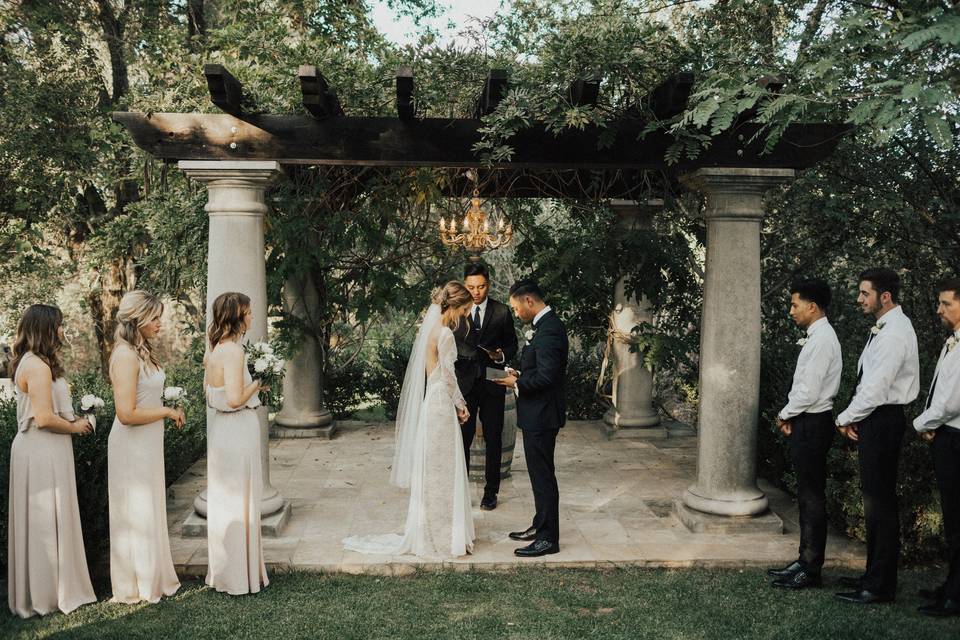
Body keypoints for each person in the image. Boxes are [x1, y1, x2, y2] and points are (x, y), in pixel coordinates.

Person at [344, 282, 476, 559]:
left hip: (433, 400)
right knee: (444, 470)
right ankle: (443, 536)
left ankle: (433, 531)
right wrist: (462, 406)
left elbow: (436, 375)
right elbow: (450, 377)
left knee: (435, 469)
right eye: (465, 308)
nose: (466, 314)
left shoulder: (429, 330)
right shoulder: (447, 335)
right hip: (442, 404)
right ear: (455, 306)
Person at [835, 268, 919, 604]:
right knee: (874, 502)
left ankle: (880, 585)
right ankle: (872, 576)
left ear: (885, 296)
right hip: (876, 418)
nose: (859, 299)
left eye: (864, 293)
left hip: (883, 419)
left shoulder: (895, 332)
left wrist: (845, 417)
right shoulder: (887, 327)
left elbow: (876, 388)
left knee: (880, 504)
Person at [7, 304, 96, 618]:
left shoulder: (35, 363)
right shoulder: (37, 367)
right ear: (45, 329)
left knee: (49, 518)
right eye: (59, 326)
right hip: (41, 449)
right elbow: (43, 418)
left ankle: (51, 587)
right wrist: (75, 426)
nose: (62, 331)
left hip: (45, 448)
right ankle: (46, 594)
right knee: (44, 520)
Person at [108, 290, 184, 603]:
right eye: (154, 318)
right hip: (132, 444)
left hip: (148, 442)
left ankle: (152, 575)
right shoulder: (124, 355)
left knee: (148, 506)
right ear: (138, 320)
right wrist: (166, 411)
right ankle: (136, 583)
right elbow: (126, 414)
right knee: (136, 509)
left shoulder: (140, 352)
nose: (159, 324)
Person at [767, 279, 842, 590]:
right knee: (806, 495)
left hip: (813, 423)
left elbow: (809, 392)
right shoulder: (817, 336)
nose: (790, 311)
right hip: (807, 421)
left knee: (812, 497)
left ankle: (811, 569)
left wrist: (784, 414)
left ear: (813, 307)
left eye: (795, 304)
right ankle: (804, 559)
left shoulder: (823, 339)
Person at [496, 280, 569, 557]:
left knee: (543, 477)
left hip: (542, 415)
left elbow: (548, 376)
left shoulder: (549, 331)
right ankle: (541, 525)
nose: (515, 313)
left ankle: (549, 539)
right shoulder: (544, 327)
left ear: (529, 301)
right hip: (537, 414)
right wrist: (520, 373)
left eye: (516, 308)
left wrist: (517, 381)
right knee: (539, 474)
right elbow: (540, 368)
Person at [204, 292, 269, 595]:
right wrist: (260, 381)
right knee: (240, 500)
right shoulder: (233, 352)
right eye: (249, 312)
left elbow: (212, 395)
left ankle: (229, 573)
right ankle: (239, 577)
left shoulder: (216, 348)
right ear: (237, 317)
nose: (252, 317)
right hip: (237, 427)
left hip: (224, 432)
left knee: (229, 502)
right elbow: (232, 399)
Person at [912, 277, 960, 617]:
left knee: (958, 520)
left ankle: (955, 596)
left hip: (955, 437)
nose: (939, 309)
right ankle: (952, 585)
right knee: (953, 518)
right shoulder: (952, 342)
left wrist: (921, 424)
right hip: (946, 434)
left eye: (946, 303)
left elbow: (951, 402)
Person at [453, 262, 518, 511]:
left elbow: (512, 344)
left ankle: (491, 493)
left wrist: (501, 356)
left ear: (488, 285)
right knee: (463, 438)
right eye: (471, 287)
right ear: (464, 285)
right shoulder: (457, 312)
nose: (476, 292)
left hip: (493, 379)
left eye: (480, 287)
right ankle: (461, 491)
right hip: (465, 384)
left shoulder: (501, 311)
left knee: (494, 437)